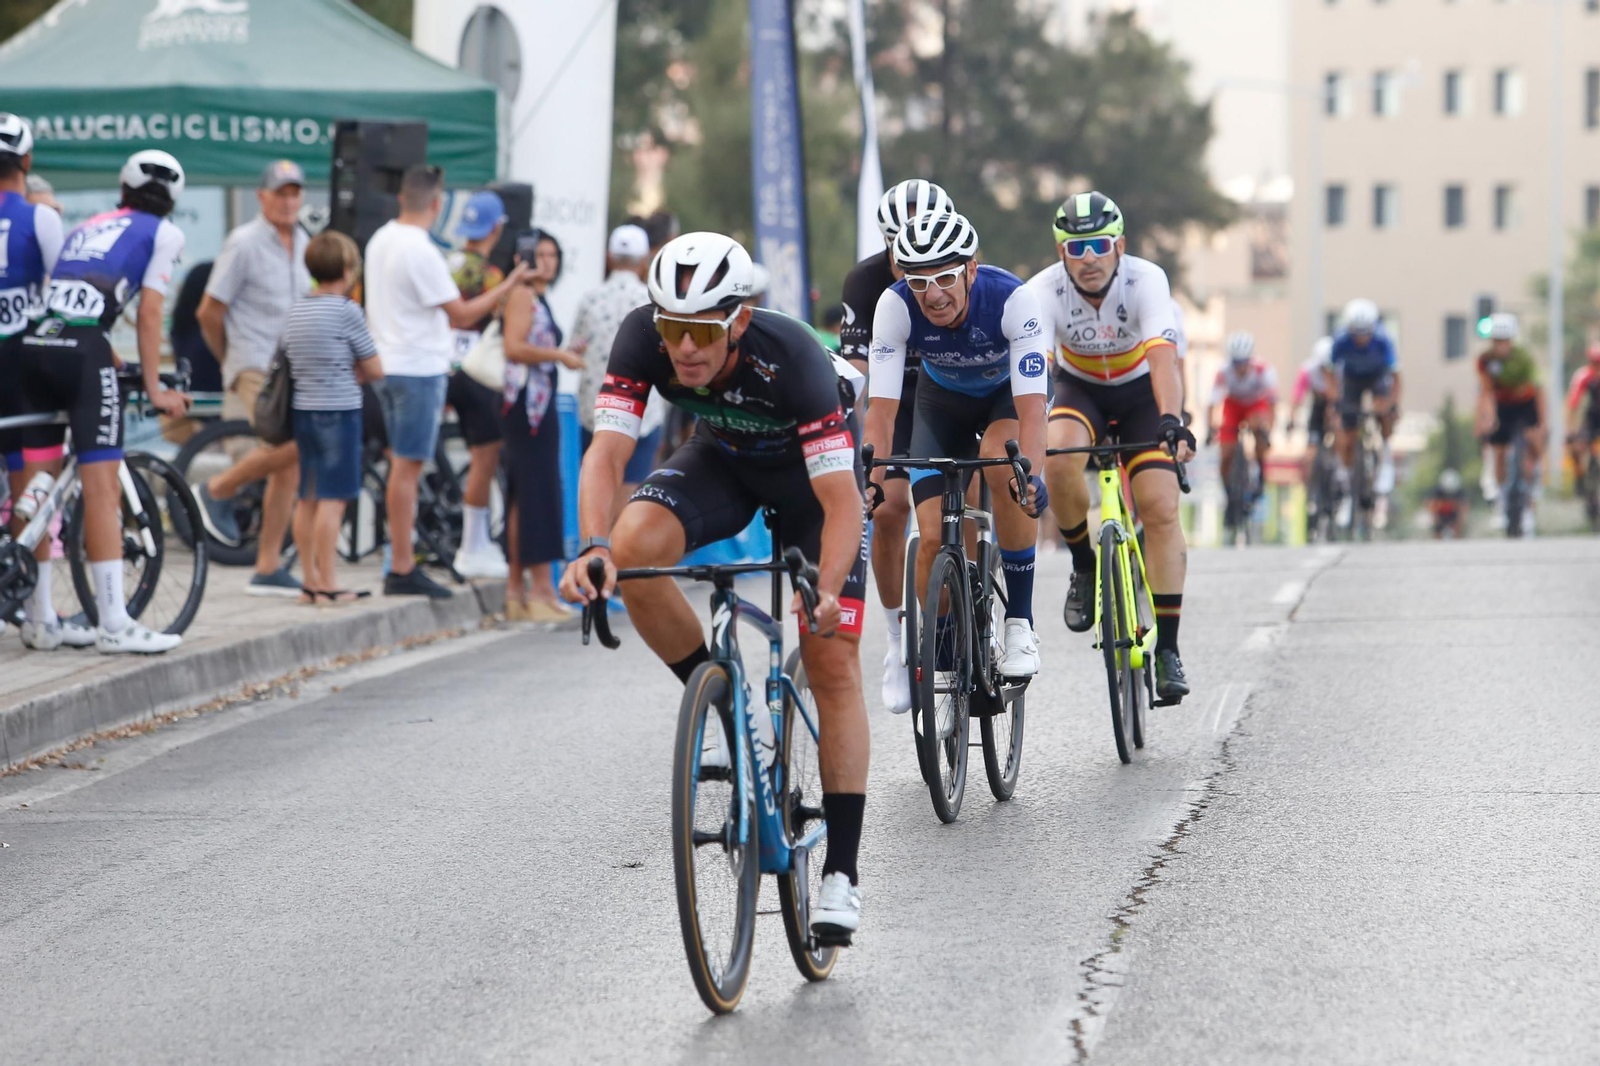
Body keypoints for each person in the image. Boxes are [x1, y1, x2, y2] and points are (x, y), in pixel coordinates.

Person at [560, 231, 871, 942]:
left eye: (701, 331)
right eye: (671, 328)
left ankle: (841, 874)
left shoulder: (792, 357)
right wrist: (593, 546)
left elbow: (841, 503)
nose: (684, 348)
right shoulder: (641, 336)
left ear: (739, 319)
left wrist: (826, 591)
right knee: (634, 550)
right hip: (723, 462)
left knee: (831, 658)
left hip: (813, 485)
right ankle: (727, 707)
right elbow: (607, 454)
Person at [864, 210, 1050, 682]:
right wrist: (870, 481)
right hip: (942, 401)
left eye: (945, 278)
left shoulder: (1012, 299)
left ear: (970, 269)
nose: (933, 294)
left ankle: (1019, 622)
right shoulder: (894, 305)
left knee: (1001, 461)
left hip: (1006, 397)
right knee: (931, 538)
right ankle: (948, 632)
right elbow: (881, 412)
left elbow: (1032, 409)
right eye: (919, 282)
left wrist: (1033, 476)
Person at [19, 149, 191, 653]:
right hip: (83, 353)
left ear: (123, 190)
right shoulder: (164, 232)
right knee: (101, 487)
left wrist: (112, 356)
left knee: (37, 480)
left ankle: (40, 618)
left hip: (37, 344)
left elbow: (70, 300)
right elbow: (151, 310)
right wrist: (155, 387)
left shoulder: (90, 224)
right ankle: (114, 623)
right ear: (172, 199)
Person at [1029, 191, 1196, 702]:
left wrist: (1171, 420)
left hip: (1141, 392)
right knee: (1059, 456)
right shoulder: (1042, 291)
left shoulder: (1146, 279)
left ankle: (1168, 648)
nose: (1089, 258)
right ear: (1060, 253)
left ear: (1119, 245)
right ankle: (1084, 564)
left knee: (1160, 508)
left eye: (1099, 245)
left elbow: (1164, 360)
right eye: (1075, 248)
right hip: (1081, 391)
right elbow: (1036, 376)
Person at [363, 164, 529, 599]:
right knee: (407, 468)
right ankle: (402, 566)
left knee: (401, 468)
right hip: (417, 368)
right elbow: (462, 313)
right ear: (437, 204)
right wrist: (510, 283)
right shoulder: (420, 250)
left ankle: (399, 559)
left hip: (387, 363)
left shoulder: (381, 239)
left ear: (403, 197)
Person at [842, 177, 954, 712]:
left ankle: (968, 606)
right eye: (900, 247)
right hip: (896, 399)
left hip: (952, 395)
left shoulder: (961, 272)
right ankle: (896, 639)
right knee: (887, 511)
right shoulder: (865, 282)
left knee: (964, 504)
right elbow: (858, 373)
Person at [194, 160, 312, 597]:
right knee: (291, 448)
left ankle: (267, 566)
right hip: (255, 362)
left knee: (290, 462)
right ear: (261, 196)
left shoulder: (304, 241)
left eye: (294, 193)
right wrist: (232, 359)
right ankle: (215, 489)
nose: (288, 201)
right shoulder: (243, 242)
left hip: (293, 366)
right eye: (280, 193)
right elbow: (209, 311)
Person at [0, 114, 78, 649]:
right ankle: (39, 615)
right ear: (27, 161)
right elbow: (65, 297)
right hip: (21, 365)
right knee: (32, 489)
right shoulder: (40, 217)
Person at [282, 230, 382, 605]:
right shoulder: (346, 311)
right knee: (334, 499)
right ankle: (328, 582)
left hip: (303, 410)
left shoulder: (297, 309)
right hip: (339, 411)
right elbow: (375, 367)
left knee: (307, 496)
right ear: (347, 268)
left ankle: (309, 582)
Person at [502, 229, 584, 622]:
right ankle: (540, 589)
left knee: (526, 496)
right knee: (537, 493)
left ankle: (517, 590)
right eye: (541, 254)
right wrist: (558, 355)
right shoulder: (522, 294)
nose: (548, 262)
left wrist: (563, 353)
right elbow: (514, 347)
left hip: (535, 402)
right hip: (528, 407)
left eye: (553, 255)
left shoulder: (537, 296)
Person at [445, 189, 513, 579]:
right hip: (478, 373)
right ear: (496, 228)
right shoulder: (491, 276)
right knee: (484, 459)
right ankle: (473, 544)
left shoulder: (445, 263)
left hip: (441, 367)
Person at [572, 223, 656, 522]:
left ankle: (598, 545)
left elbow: (575, 349)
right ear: (644, 262)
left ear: (609, 258)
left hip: (595, 410)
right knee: (631, 490)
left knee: (598, 483)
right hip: (643, 410)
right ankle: (621, 549)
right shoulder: (652, 301)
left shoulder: (590, 299)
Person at [1329, 297, 1402, 525]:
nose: (1361, 339)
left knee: (1384, 412)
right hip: (1351, 380)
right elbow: (1331, 374)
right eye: (1356, 334)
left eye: (1365, 333)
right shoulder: (1340, 340)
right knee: (1347, 436)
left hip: (1377, 377)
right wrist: (1335, 401)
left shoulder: (1383, 340)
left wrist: (1393, 403)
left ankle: (1386, 457)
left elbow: (1396, 376)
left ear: (1373, 328)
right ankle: (1346, 488)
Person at [1473, 312, 1544, 532]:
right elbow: (1486, 391)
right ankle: (1502, 500)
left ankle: (1530, 497)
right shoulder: (1485, 360)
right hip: (1502, 406)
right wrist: (1485, 419)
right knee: (1499, 452)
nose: (1500, 346)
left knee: (1532, 446)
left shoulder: (1523, 358)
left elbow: (1537, 389)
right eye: (1496, 341)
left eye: (1504, 341)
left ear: (1511, 340)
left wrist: (1542, 423)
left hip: (1525, 404)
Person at [1207, 331, 1278, 505]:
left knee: (1258, 427)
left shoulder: (1263, 370)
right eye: (1236, 363)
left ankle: (1260, 471)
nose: (1240, 367)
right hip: (1233, 405)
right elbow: (1212, 403)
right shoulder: (1223, 372)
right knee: (1225, 451)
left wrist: (1268, 429)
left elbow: (1272, 403)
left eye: (1243, 362)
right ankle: (1228, 492)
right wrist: (1210, 428)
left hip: (1255, 403)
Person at [1562, 344, 1600, 476]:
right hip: (1592, 416)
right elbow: (1573, 405)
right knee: (1577, 446)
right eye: (1595, 363)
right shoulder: (1584, 376)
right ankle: (1580, 477)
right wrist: (1570, 431)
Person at [1428, 468, 1466, 539]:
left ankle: (1458, 539)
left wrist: (1460, 520)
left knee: (1459, 522)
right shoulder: (1437, 492)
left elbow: (1464, 507)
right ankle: (1437, 539)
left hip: (1453, 514)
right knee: (1437, 526)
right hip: (1440, 514)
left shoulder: (1459, 492)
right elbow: (1430, 505)